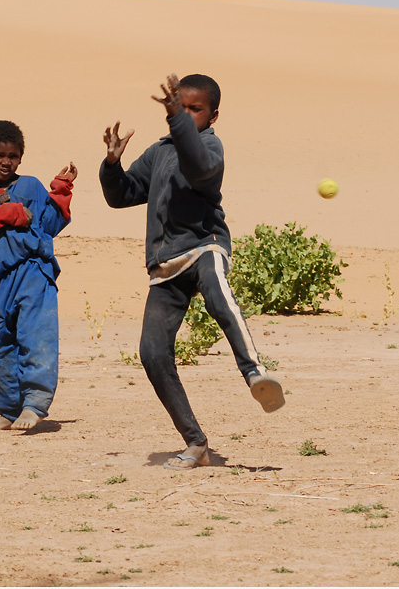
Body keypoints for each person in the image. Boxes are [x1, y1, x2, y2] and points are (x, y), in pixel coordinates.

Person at [100, 73, 285, 470]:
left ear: (212, 115)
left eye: (193, 109)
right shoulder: (159, 151)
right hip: (167, 265)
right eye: (180, 107)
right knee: (151, 353)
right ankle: (196, 443)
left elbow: (199, 168)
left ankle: (255, 374)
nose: (184, 114)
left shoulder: (209, 146)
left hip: (204, 248)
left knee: (220, 298)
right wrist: (113, 165)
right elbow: (123, 195)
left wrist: (176, 122)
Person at [0, 120, 77, 430]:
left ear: (20, 158)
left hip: (33, 272)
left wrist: (61, 191)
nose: (6, 162)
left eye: (13, 156)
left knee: (35, 337)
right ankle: (9, 408)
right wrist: (5, 213)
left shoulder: (30, 186)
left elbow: (51, 224)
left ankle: (34, 405)